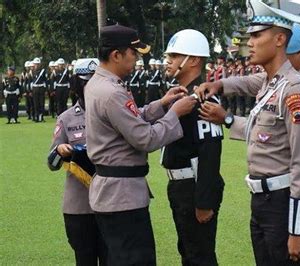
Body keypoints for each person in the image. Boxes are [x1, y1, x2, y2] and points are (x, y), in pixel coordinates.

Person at [196, 22, 300, 265]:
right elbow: (252, 82)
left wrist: (297, 230)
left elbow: (278, 139)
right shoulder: (273, 80)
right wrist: (220, 84)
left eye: (257, 36)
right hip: (268, 194)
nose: (250, 43)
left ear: (281, 42)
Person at [84, 24, 197, 265]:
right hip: (122, 196)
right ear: (116, 55)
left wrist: (162, 104)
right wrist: (174, 114)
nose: (137, 60)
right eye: (133, 54)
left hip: (113, 192)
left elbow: (130, 119)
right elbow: (145, 138)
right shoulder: (111, 92)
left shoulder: (99, 84)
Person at [161, 29, 225, 266]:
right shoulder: (182, 94)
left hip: (194, 186)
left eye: (175, 55)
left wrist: (204, 201)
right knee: (188, 252)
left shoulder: (203, 97)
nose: (169, 61)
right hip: (180, 185)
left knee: (200, 256)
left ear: (194, 60)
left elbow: (210, 151)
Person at [47, 58, 107, 265]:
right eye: (85, 82)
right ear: (76, 85)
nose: (90, 87)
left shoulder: (113, 111)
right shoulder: (67, 118)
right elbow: (51, 162)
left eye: (95, 81)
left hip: (111, 203)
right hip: (80, 207)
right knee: (85, 259)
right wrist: (60, 151)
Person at [31, 57, 48, 122]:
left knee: (41, 103)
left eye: (38, 64)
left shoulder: (43, 71)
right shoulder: (31, 72)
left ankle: (41, 116)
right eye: (35, 64)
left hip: (41, 88)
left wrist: (46, 90)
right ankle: (37, 116)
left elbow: (45, 80)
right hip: (35, 88)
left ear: (40, 64)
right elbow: (30, 81)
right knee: (36, 103)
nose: (37, 65)